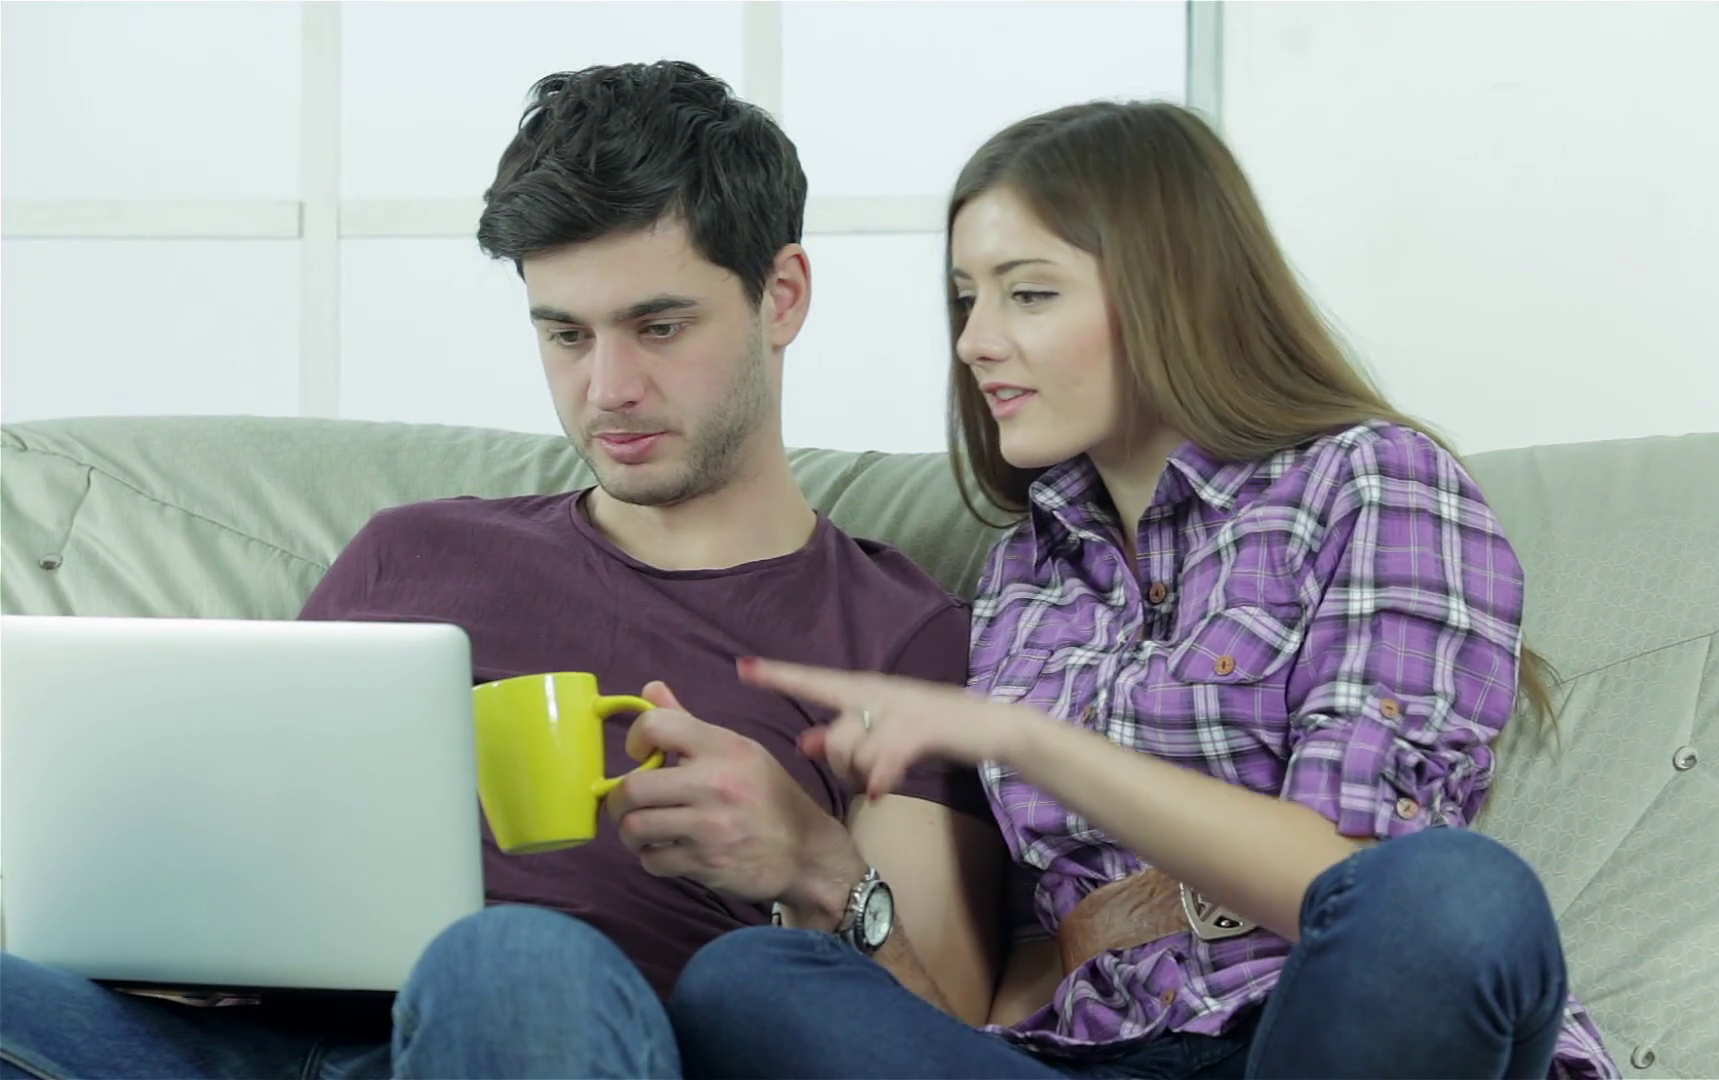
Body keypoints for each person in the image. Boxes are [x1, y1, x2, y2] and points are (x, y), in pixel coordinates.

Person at [0, 62, 1006, 1080]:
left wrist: (817, 867)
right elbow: (256, 833)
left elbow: (948, 1033)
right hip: (235, 1047)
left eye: (659, 327)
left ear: (780, 297)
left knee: (512, 958)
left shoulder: (896, 637)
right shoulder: (410, 550)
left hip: (548, 1028)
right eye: (566, 334)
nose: (607, 389)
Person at [667, 100, 1623, 1080]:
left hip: (1320, 1031)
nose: (975, 341)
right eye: (965, 299)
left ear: (1174, 293)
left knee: (1456, 894)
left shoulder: (1370, 482)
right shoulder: (1023, 576)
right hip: (1102, 1055)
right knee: (749, 981)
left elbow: (1352, 879)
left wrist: (1025, 738)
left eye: (1028, 294)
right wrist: (822, 870)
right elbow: (1014, 973)